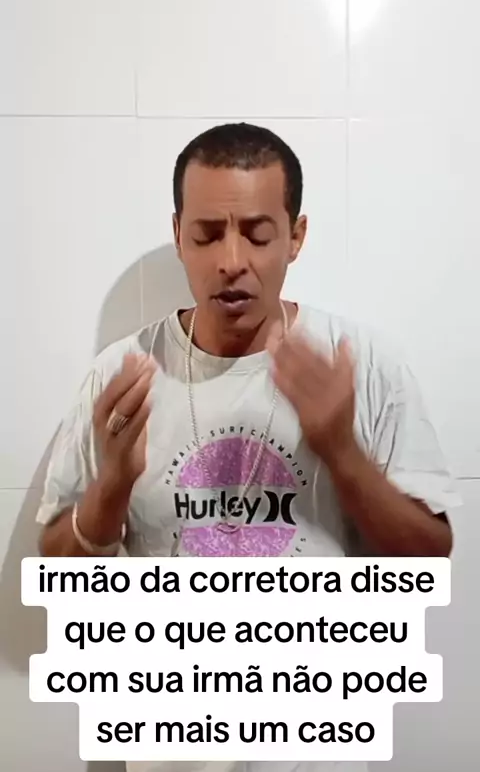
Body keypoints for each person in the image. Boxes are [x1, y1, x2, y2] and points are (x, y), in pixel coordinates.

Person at [36, 123, 460, 772]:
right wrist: (112, 487)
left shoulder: (360, 365)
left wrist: (341, 453)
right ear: (178, 235)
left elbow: (430, 557)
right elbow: (57, 573)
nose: (231, 260)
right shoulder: (123, 374)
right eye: (207, 234)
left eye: (258, 234)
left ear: (297, 236)